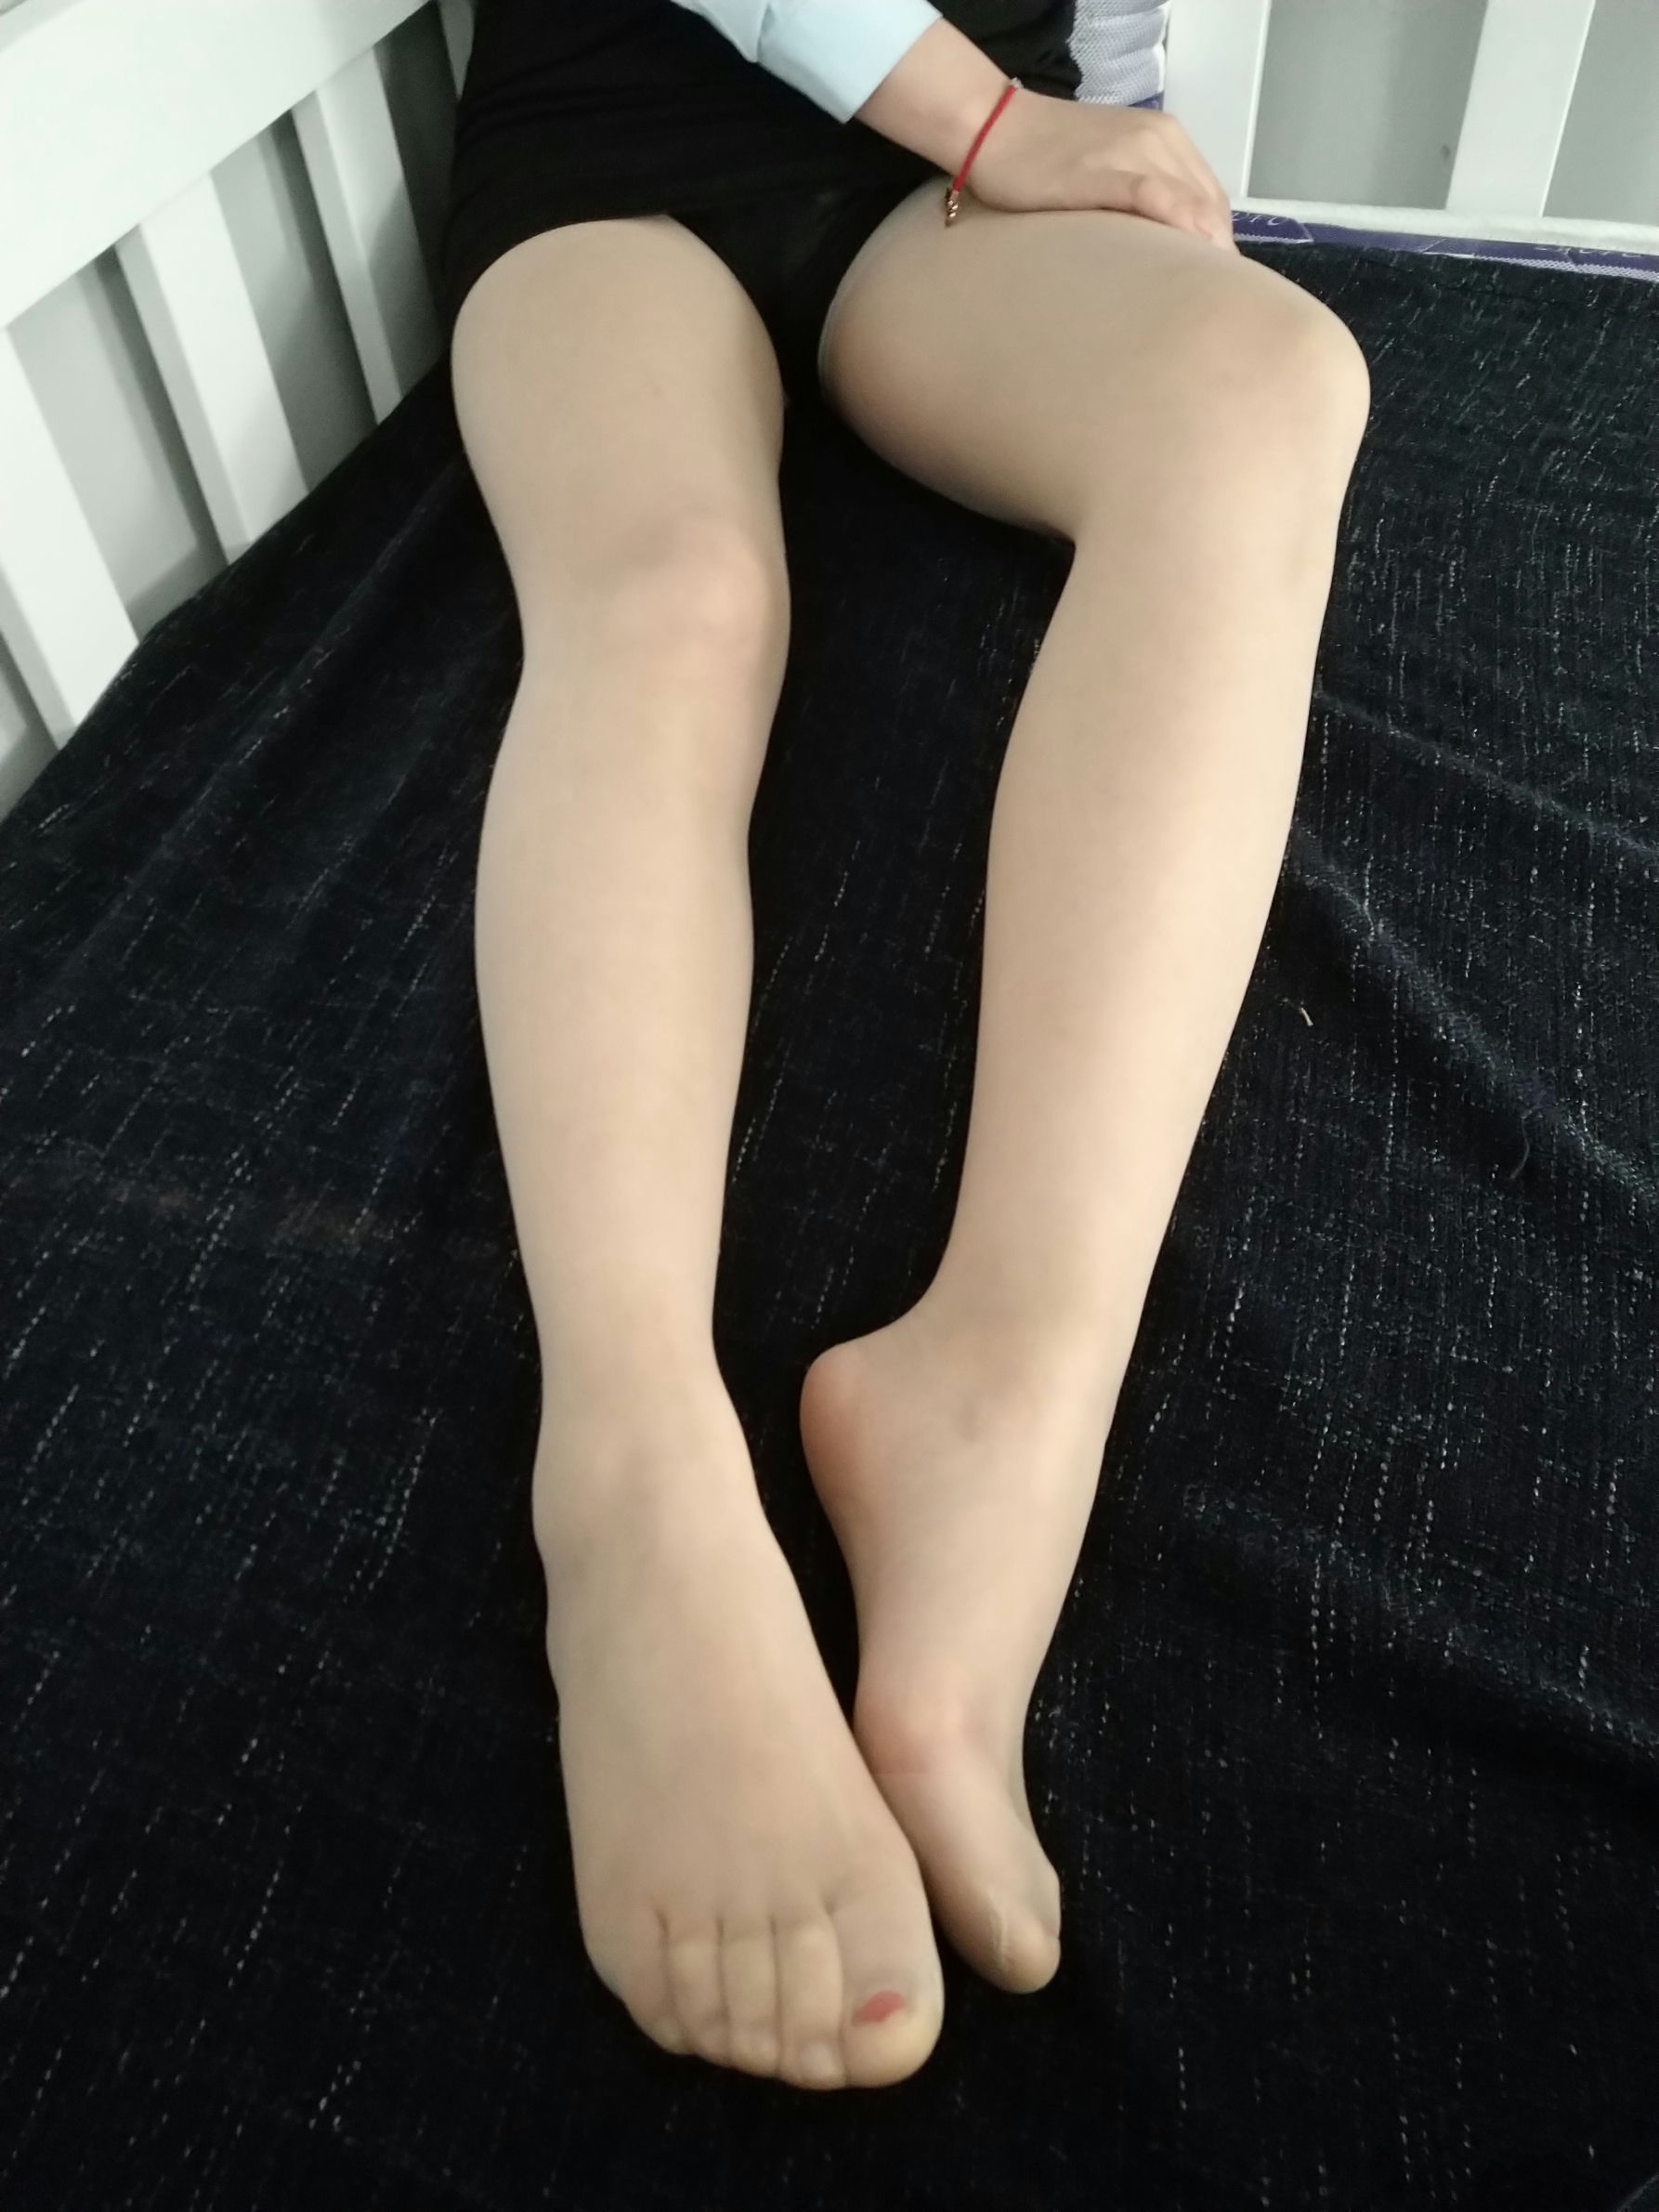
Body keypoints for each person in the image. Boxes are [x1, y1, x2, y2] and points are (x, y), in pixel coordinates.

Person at [442, 0, 1371, 2096]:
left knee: (1259, 389)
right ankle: (632, 1466)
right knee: (671, 595)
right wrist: (996, 121)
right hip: (620, 155)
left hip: (932, 193)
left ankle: (1006, 1382)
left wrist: (1111, 142)